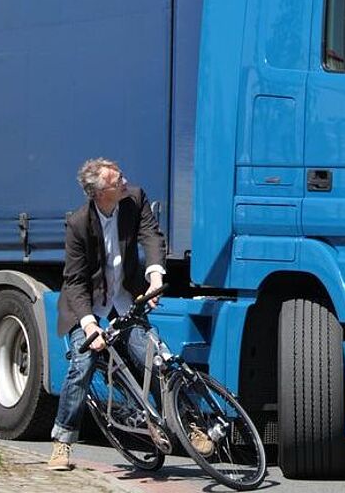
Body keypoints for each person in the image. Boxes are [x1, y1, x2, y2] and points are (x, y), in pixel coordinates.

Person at [48, 158, 211, 470]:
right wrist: (89, 325)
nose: (124, 182)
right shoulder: (79, 223)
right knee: (81, 367)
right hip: (89, 307)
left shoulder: (134, 199)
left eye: (121, 175)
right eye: (116, 181)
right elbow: (75, 280)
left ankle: (189, 426)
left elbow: (151, 236)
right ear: (99, 194)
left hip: (125, 299)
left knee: (156, 360)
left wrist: (155, 275)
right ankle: (62, 441)